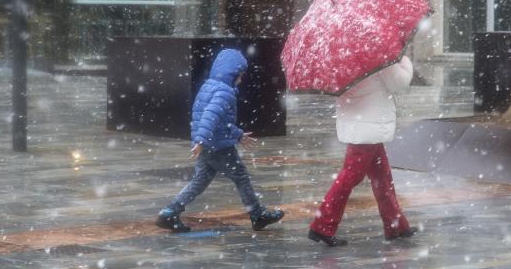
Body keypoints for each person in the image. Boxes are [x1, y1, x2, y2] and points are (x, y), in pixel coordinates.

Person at [156, 48, 284, 233]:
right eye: (240, 75)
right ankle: (257, 215)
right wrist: (201, 141)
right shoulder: (225, 92)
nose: (241, 79)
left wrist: (237, 135)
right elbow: (210, 116)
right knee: (241, 177)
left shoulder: (209, 86)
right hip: (218, 146)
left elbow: (221, 122)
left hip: (209, 145)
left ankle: (169, 212)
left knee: (199, 181)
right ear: (232, 74)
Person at [308, 55, 417, 247]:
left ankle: (396, 225)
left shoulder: (344, 55)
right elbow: (397, 82)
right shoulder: (377, 54)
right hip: (369, 123)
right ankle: (322, 225)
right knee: (351, 177)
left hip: (360, 122)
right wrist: (404, 62)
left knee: (382, 178)